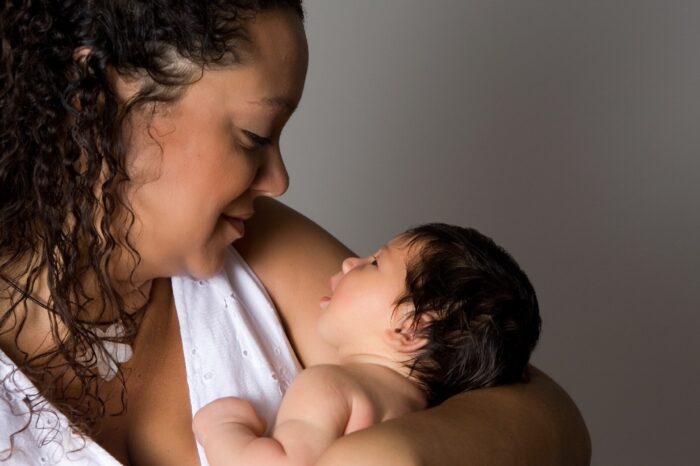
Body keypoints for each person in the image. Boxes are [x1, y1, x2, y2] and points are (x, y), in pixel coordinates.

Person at [0, 1, 590, 465]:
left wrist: (398, 454)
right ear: (97, 101)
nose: (278, 180)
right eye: (255, 136)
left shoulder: (255, 244)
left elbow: (548, 417)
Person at [192, 223, 542, 466]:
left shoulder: (330, 385)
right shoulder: (423, 413)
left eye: (374, 263)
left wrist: (222, 429)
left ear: (410, 328)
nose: (349, 261)